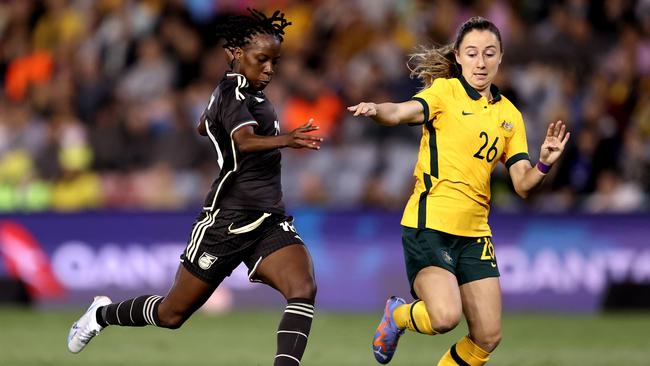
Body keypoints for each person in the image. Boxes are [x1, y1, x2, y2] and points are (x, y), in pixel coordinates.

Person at [67, 9, 322, 366]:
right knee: (172, 314)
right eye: (262, 59)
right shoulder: (233, 94)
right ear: (234, 52)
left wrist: (211, 123)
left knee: (303, 288)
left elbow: (204, 125)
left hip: (268, 218)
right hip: (227, 220)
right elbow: (245, 141)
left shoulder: (247, 95)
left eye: (274, 61)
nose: (269, 69)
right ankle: (100, 315)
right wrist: (286, 139)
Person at [348, 16, 570, 366]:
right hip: (430, 226)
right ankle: (398, 316)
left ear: (500, 58)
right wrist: (378, 110)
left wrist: (544, 163)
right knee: (444, 317)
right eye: (472, 53)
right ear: (459, 57)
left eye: (489, 53)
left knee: (487, 337)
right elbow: (402, 111)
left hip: (475, 235)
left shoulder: (510, 115)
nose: (481, 62)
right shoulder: (445, 93)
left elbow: (523, 184)